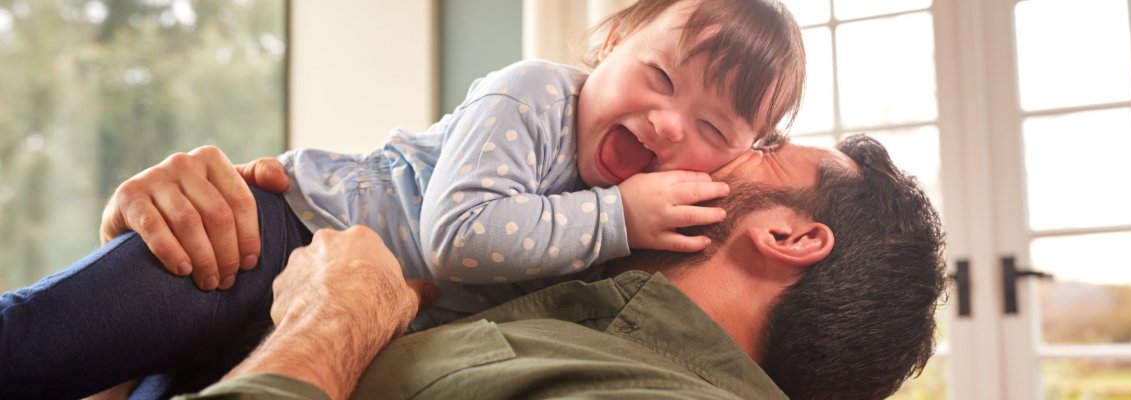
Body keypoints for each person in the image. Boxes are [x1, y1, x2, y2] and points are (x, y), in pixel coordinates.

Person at [1, 0, 805, 397]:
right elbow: (458, 236)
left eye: (711, 126)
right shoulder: (533, 96)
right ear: (612, 43)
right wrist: (616, 216)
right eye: (658, 78)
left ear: (739, 156)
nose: (667, 123)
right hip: (278, 236)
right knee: (42, 343)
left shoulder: (638, 224)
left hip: (324, 326)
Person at [177, 136, 948, 400]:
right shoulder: (555, 315)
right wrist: (182, 246)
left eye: (769, 146)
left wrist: (329, 326)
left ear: (786, 236)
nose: (717, 143)